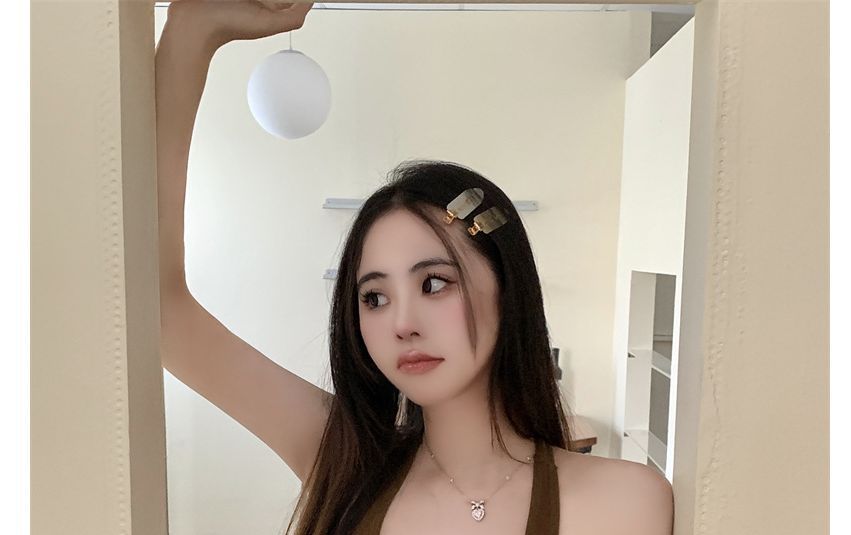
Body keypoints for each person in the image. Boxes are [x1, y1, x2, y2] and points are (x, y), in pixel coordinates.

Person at [156, 1, 675, 534]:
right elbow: (156, 309)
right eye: (374, 297)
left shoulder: (625, 502)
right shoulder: (347, 466)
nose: (402, 323)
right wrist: (191, 31)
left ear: (506, 287)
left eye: (434, 283)